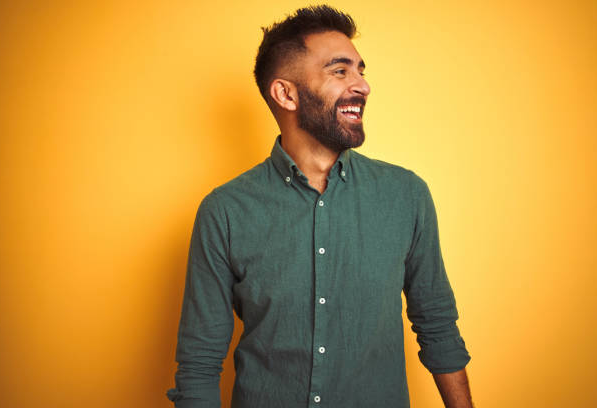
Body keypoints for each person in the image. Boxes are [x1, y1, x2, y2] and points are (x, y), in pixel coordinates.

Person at [167, 5, 473, 408]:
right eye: (340, 71)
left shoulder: (406, 195)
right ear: (286, 93)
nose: (362, 85)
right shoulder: (224, 212)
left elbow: (438, 328)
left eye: (361, 71)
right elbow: (199, 364)